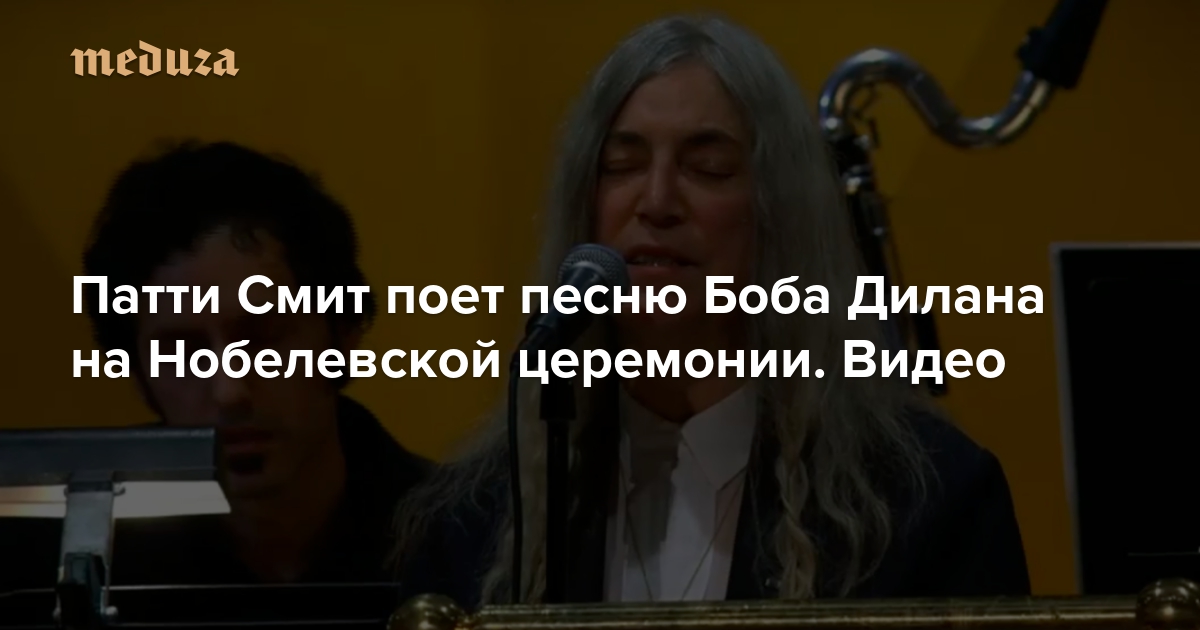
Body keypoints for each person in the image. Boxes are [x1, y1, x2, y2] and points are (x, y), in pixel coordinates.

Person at [391, 15, 1030, 608]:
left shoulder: (928, 504)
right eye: (621, 165)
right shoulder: (474, 522)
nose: (657, 201)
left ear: (778, 215)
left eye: (708, 167)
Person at [0, 141, 430, 593]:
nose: (229, 389)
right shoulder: (43, 559)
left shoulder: (464, 538)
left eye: (262, 338)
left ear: (343, 333)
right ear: (135, 369)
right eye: (182, 352)